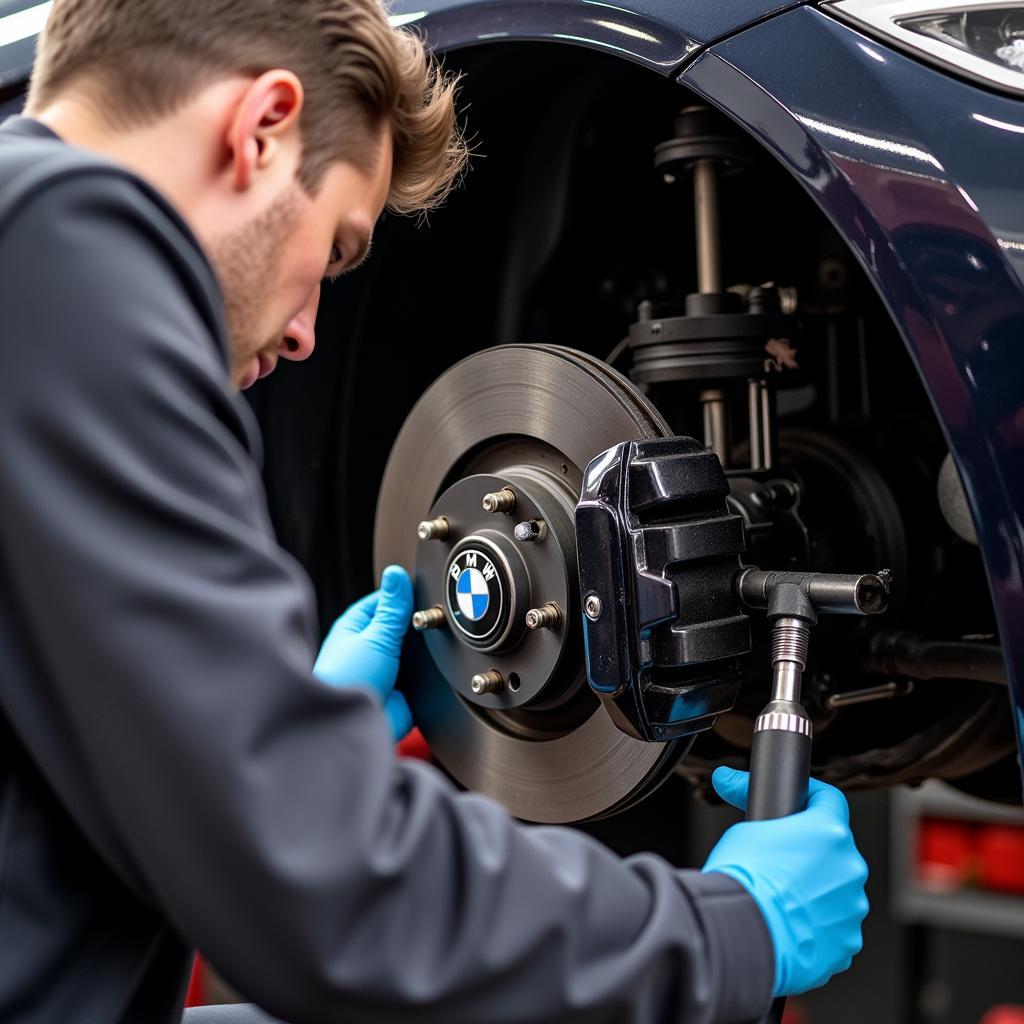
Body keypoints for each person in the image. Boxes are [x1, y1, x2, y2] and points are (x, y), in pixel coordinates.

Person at [0, 1, 869, 1022]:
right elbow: (322, 902)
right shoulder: (63, 250)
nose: (308, 334)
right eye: (334, 252)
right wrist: (731, 928)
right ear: (262, 127)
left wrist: (269, 736)